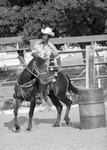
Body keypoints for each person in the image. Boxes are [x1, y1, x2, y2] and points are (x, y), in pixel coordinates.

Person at [31, 27, 61, 103]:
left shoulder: (52, 47)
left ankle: (40, 95)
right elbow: (33, 53)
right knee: (24, 74)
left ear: (49, 37)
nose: (43, 37)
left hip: (44, 67)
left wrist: (59, 66)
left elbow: (57, 57)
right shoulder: (37, 43)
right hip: (34, 65)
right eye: (43, 35)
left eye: (46, 36)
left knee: (41, 76)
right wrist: (39, 58)